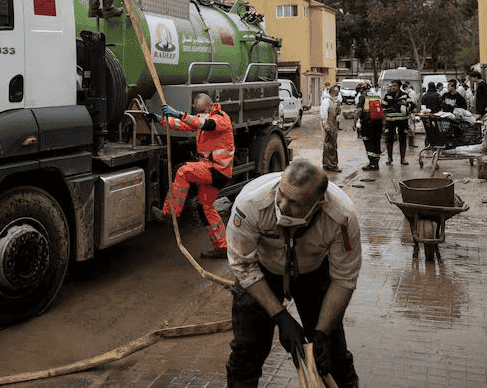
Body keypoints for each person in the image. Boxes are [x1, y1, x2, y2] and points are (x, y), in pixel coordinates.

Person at [225, 159, 361, 388]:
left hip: (314, 271)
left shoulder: (342, 219)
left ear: (317, 203)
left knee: (332, 356)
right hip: (261, 271)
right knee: (246, 353)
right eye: (282, 194)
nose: (283, 205)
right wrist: (281, 317)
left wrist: (321, 333)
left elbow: (344, 279)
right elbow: (243, 266)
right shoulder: (249, 204)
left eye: (295, 202)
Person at [148, 93, 234, 258]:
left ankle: (169, 213)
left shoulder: (221, 118)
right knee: (205, 207)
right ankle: (222, 247)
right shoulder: (204, 118)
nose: (199, 114)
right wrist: (160, 119)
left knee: (184, 171)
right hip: (214, 169)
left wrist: (179, 113)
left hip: (217, 169)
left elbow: (204, 123)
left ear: (210, 107)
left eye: (200, 111)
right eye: (197, 111)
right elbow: (183, 125)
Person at [354, 80, 384, 170]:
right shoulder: (376, 96)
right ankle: (376, 163)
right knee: (376, 142)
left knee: (368, 142)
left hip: (368, 123)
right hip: (378, 123)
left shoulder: (363, 97)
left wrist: (354, 122)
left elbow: (359, 111)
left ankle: (372, 164)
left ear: (361, 88)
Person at [382, 80, 411, 165]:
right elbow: (383, 106)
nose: (392, 87)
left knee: (403, 139)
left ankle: (403, 158)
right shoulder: (388, 95)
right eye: (391, 86)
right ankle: (389, 158)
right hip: (390, 121)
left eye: (394, 86)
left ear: (399, 86)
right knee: (389, 139)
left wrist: (405, 103)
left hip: (402, 121)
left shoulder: (405, 95)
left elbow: (411, 105)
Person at [319, 86, 341, 171]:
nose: (337, 95)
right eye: (336, 93)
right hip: (329, 127)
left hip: (332, 126)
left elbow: (336, 114)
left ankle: (327, 164)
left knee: (329, 146)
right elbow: (324, 115)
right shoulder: (326, 101)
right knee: (331, 147)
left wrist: (338, 108)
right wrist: (326, 125)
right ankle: (331, 165)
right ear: (332, 93)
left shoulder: (332, 102)